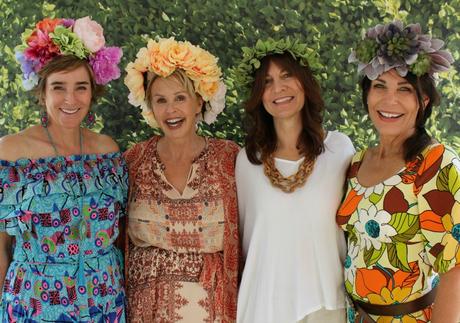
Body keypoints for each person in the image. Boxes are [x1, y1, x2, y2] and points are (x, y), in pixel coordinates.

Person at [0, 17, 126, 322]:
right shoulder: (10, 152)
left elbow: (120, 237)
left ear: (93, 92)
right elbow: (1, 247)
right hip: (33, 306)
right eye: (59, 87)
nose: (70, 99)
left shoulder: (107, 152)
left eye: (80, 87)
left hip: (104, 305)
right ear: (42, 92)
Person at [337, 20, 460, 323]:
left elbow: (456, 271)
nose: (389, 100)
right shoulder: (356, 162)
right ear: (367, 95)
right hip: (353, 317)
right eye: (380, 86)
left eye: (404, 89)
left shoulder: (436, 164)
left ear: (424, 101)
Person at [234, 38, 355, 323]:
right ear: (258, 95)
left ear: (305, 83)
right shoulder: (247, 160)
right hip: (264, 306)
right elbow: (240, 239)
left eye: (287, 76)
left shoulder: (339, 150)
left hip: (326, 305)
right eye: (267, 82)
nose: (279, 89)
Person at [123, 37, 239, 322]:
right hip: (145, 310)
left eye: (180, 98)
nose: (170, 110)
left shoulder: (231, 158)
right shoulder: (133, 161)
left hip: (213, 309)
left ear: (198, 101)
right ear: (150, 106)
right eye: (160, 100)